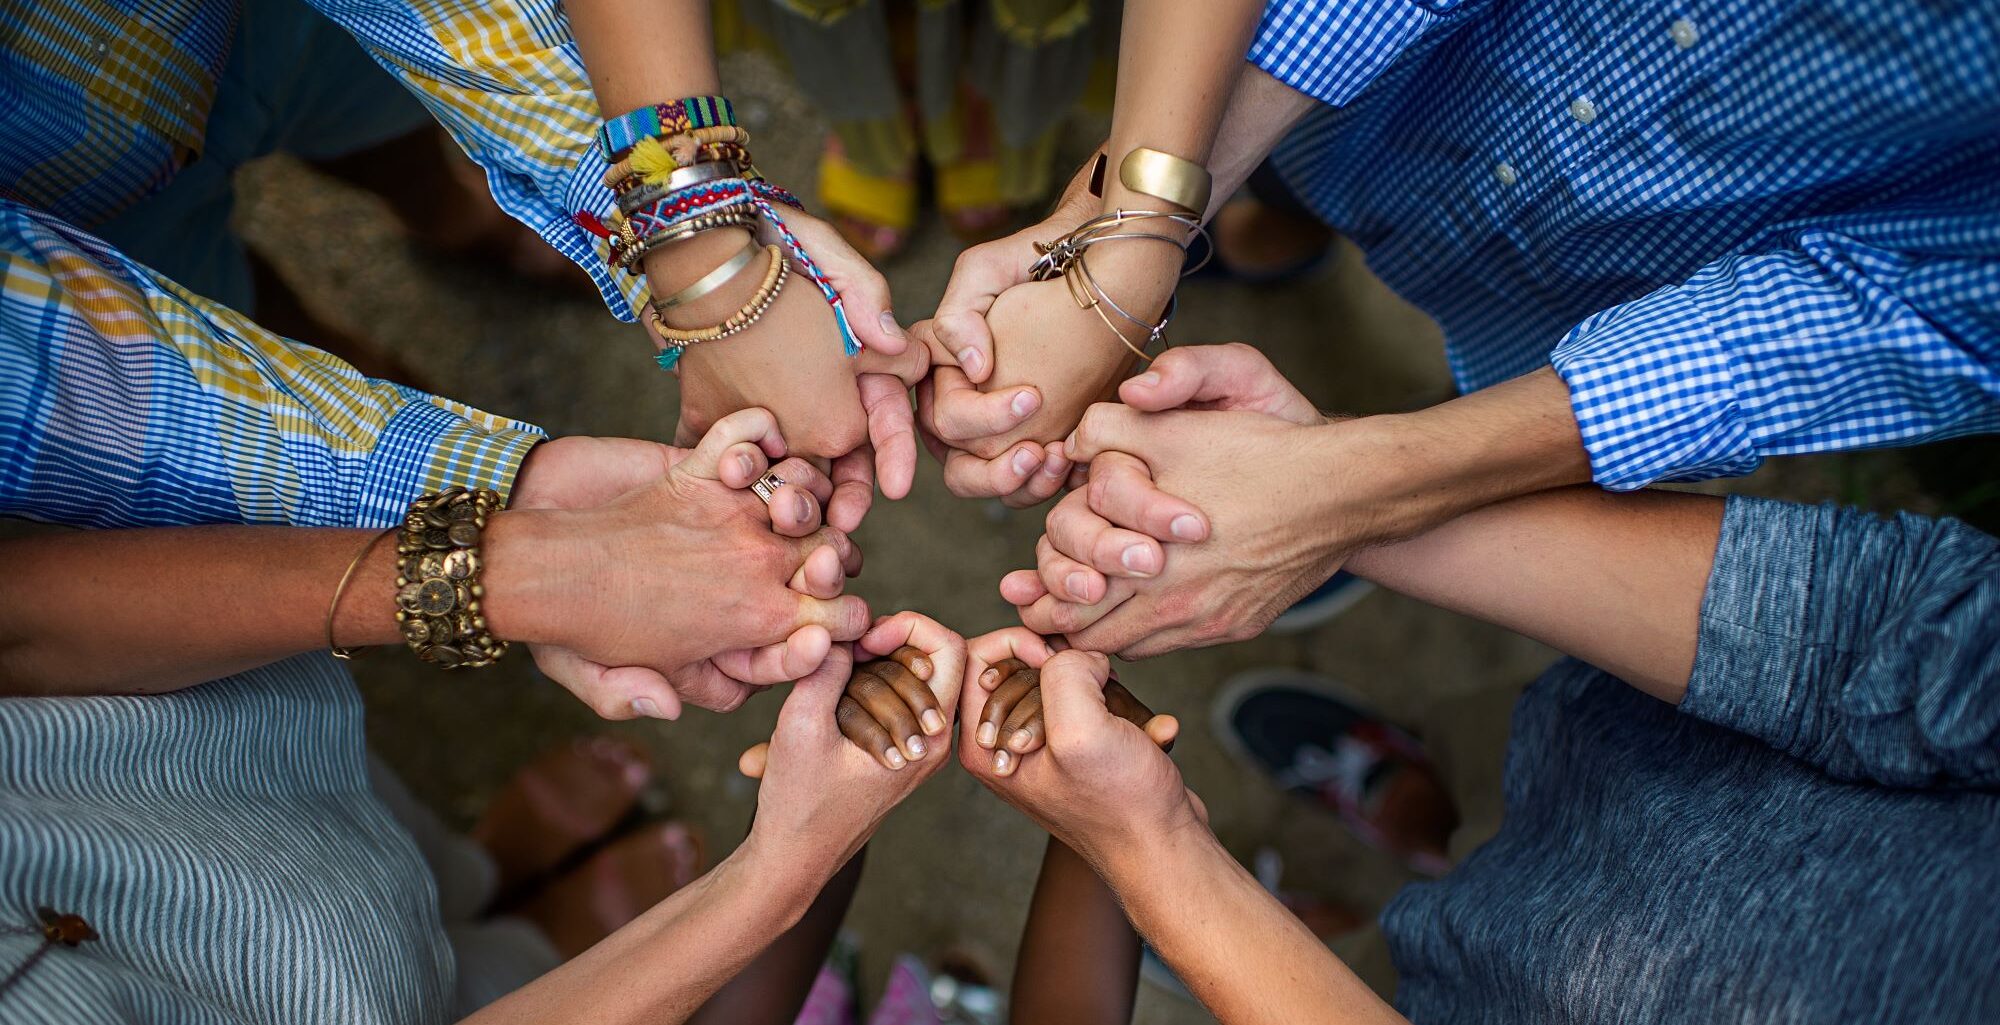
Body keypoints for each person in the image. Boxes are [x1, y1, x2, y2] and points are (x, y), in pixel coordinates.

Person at [961, 348, 2000, 1024]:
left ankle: (1317, 909)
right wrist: (1339, 495)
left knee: (1386, 963)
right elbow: (1914, 636)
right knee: (1490, 779)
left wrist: (1153, 854)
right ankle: (1415, 816)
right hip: (1649, 743)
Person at [920, 0, 2000, 603]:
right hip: (1401, 86)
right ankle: (1267, 231)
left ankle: (1330, 464)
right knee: (1298, 174)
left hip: (1644, 266)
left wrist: (1368, 487)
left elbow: (1923, 300)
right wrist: (1132, 229)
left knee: (1497, 378)